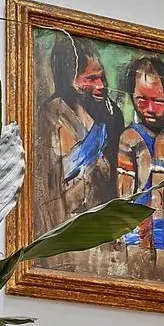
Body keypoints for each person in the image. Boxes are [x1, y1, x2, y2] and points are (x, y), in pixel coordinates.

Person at [40, 37, 117, 222]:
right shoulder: (51, 117)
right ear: (69, 79)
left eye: (102, 77)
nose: (100, 86)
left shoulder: (110, 116)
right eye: (91, 79)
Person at [117, 56, 164, 257]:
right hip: (140, 234)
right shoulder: (130, 138)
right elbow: (125, 197)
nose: (150, 109)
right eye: (142, 100)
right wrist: (131, 242)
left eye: (158, 101)